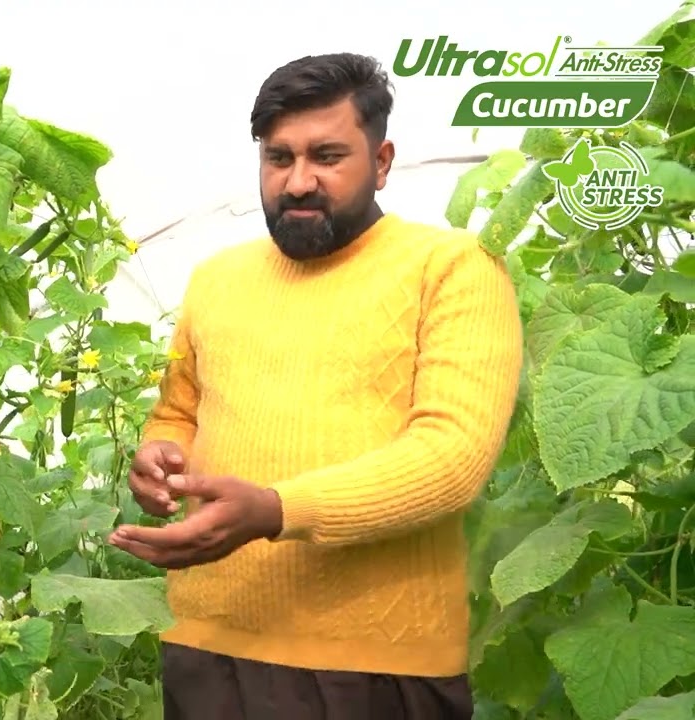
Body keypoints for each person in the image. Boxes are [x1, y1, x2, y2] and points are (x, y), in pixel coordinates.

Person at [107, 52, 524, 719]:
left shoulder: (452, 268)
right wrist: (161, 455)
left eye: (327, 156)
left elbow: (452, 458)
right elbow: (179, 410)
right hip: (207, 648)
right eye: (279, 159)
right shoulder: (217, 277)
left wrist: (275, 510)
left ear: (382, 161)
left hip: (375, 667)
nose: (298, 182)